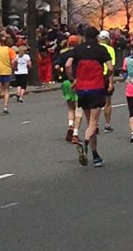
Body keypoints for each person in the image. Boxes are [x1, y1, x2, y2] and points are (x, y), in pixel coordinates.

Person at [66, 27, 113, 168]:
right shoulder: (101, 50)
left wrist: (73, 79)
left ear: (85, 36)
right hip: (96, 88)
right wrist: (104, 78)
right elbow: (110, 68)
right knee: (94, 123)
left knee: (89, 122)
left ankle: (95, 155)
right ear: (97, 37)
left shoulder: (78, 49)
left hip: (82, 88)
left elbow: (68, 64)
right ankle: (85, 143)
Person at [54, 35, 83, 143]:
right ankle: (75, 133)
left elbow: (56, 66)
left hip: (66, 82)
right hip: (78, 81)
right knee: (78, 108)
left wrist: (61, 72)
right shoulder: (80, 54)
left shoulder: (63, 53)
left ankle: (70, 125)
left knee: (70, 107)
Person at [0, 36, 17, 114]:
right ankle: (5, 107)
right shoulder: (10, 50)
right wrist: (12, 67)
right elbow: (14, 60)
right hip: (7, 71)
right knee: (6, 90)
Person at [99, 31, 116, 133]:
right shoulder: (110, 49)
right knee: (108, 102)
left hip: (96, 77)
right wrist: (110, 82)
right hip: (106, 76)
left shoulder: (95, 48)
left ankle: (95, 124)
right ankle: (107, 124)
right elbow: (111, 67)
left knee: (95, 102)